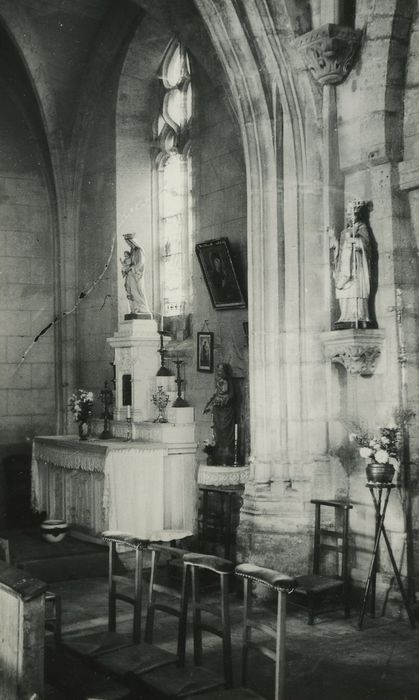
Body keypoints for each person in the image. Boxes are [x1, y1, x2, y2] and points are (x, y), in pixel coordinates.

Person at [329, 200, 371, 327]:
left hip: (356, 265)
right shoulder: (344, 231)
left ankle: (358, 316)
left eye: (352, 214)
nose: (350, 217)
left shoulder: (361, 227)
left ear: (357, 215)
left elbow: (365, 244)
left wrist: (354, 241)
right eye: (348, 215)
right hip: (345, 266)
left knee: (355, 289)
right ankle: (345, 316)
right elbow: (340, 251)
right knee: (344, 289)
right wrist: (334, 241)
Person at [203, 363, 235, 465]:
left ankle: (227, 456)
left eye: (221, 371)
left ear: (225, 371)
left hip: (226, 412)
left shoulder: (229, 382)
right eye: (218, 371)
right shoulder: (218, 382)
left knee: (226, 433)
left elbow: (231, 396)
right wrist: (208, 404)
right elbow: (215, 394)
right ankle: (219, 456)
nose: (219, 373)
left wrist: (223, 400)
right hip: (218, 412)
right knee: (218, 432)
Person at [121, 235, 151, 315]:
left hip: (137, 275)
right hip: (131, 274)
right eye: (127, 242)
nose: (128, 244)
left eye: (129, 241)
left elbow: (141, 263)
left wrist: (132, 268)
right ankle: (134, 308)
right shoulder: (132, 251)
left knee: (137, 291)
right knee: (130, 290)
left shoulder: (139, 250)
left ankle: (142, 309)